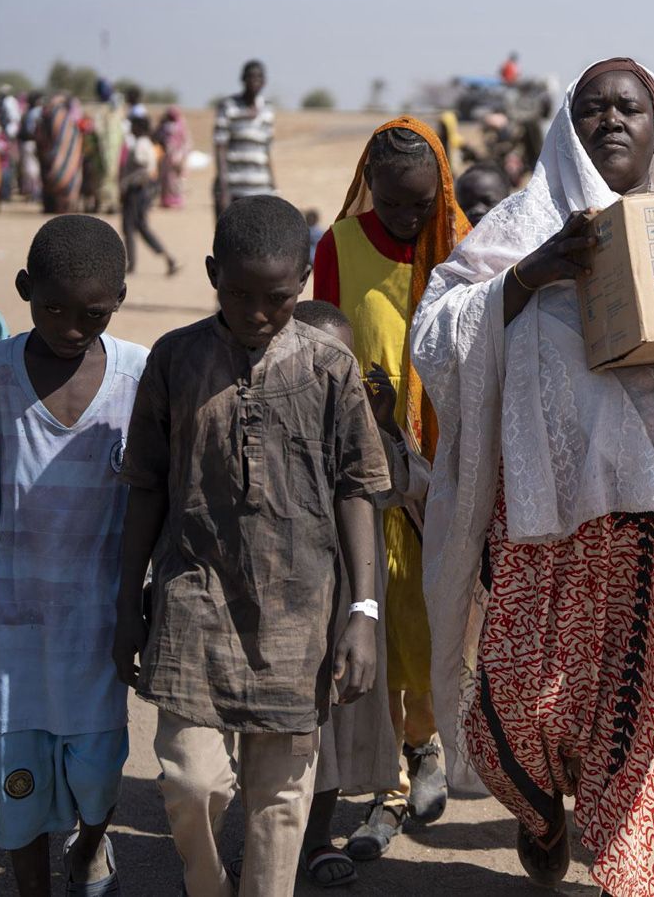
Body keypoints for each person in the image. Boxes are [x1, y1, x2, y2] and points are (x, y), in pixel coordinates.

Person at [412, 58, 654, 897]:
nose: (612, 120)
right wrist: (534, 271)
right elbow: (435, 335)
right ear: (567, 126)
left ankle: (646, 872)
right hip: (548, 525)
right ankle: (541, 816)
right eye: (592, 108)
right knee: (525, 713)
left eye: (630, 108)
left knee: (653, 723)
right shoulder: (519, 225)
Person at [112, 195, 387, 897]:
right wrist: (124, 603)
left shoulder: (329, 367)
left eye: (278, 297)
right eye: (238, 294)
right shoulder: (175, 359)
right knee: (188, 780)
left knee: (281, 803)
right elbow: (146, 485)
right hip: (193, 603)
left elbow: (360, 487)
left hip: (299, 617)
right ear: (211, 275)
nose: (258, 312)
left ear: (302, 282)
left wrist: (363, 611)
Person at [312, 117, 470, 858]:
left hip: (449, 459)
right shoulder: (337, 247)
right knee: (384, 600)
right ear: (367, 186)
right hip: (372, 456)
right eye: (394, 205)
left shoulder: (461, 243)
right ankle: (398, 772)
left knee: (436, 608)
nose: (410, 221)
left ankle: (427, 742)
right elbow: (326, 343)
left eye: (422, 204)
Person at [0, 216, 144, 897]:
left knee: (99, 775)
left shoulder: (138, 378)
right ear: (24, 290)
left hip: (98, 626)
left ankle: (92, 847)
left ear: (119, 300)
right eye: (54, 309)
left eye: (93, 313)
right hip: (7, 626)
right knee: (19, 791)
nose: (73, 326)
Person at [291, 300, 423, 888]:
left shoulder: (364, 430)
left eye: (341, 364)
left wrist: (386, 424)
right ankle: (272, 841)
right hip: (282, 608)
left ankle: (315, 839)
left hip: (347, 609)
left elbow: (408, 485)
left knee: (333, 734)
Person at [214, 59, 277, 216]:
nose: (254, 81)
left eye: (259, 77)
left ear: (264, 81)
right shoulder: (229, 106)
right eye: (251, 77)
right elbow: (220, 147)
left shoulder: (267, 109)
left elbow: (267, 152)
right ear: (243, 79)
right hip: (235, 188)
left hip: (261, 189)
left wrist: (274, 186)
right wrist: (224, 189)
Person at [120, 115, 179, 276]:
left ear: (138, 128)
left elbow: (144, 166)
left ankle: (136, 264)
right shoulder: (147, 144)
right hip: (139, 191)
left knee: (132, 227)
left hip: (136, 191)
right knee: (137, 227)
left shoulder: (140, 145)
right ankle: (165, 259)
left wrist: (130, 182)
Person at [36, 94, 85, 214]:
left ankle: (62, 207)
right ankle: (61, 207)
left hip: (57, 158)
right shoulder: (59, 117)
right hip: (55, 157)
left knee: (61, 180)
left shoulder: (62, 118)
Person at [93, 95, 127, 216]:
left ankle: (112, 204)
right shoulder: (104, 116)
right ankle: (103, 204)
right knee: (104, 179)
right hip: (104, 155)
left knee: (111, 179)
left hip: (114, 156)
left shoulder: (117, 119)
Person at [155, 106, 189, 208]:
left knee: (177, 179)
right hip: (167, 156)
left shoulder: (181, 124)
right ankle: (167, 199)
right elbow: (158, 137)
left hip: (178, 155)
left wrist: (181, 154)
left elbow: (186, 141)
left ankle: (177, 199)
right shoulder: (164, 125)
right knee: (166, 178)